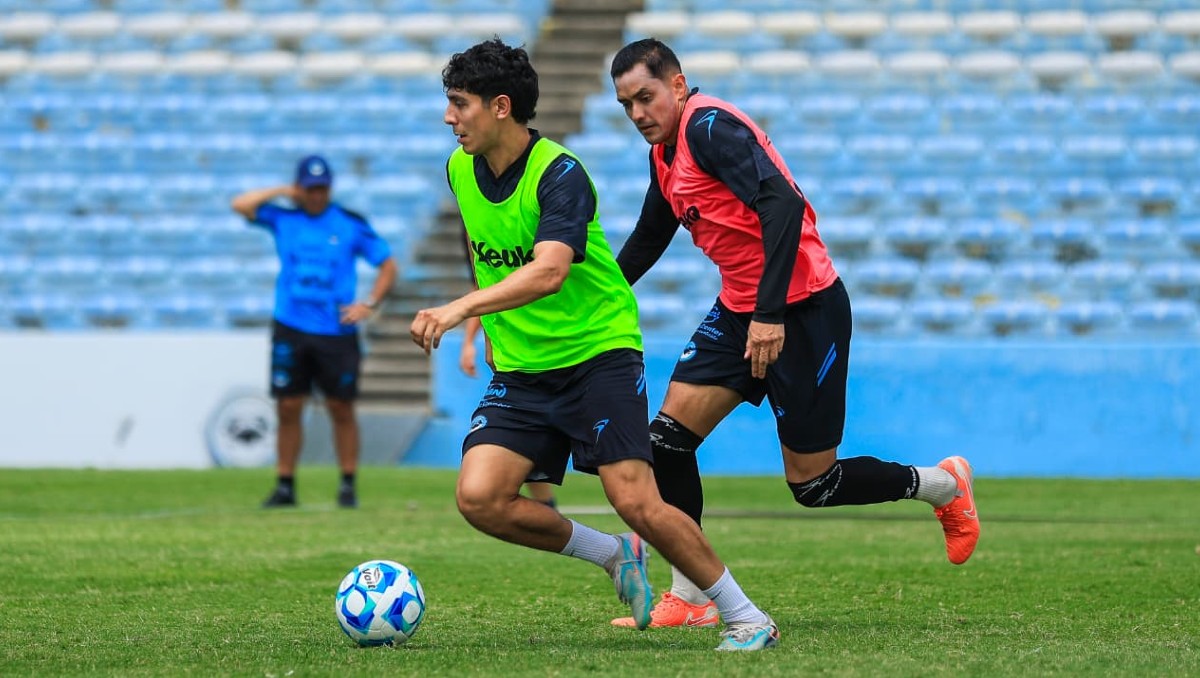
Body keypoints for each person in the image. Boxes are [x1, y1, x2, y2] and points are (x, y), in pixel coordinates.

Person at [411, 38, 777, 651]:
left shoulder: (560, 173)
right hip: (526, 368)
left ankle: (746, 615)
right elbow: (486, 254)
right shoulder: (458, 170)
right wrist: (484, 323)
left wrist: (458, 310)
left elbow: (550, 269)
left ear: (501, 106)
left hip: (596, 354)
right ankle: (614, 556)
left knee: (634, 495)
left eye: (459, 104)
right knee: (480, 498)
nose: (450, 118)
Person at [606, 38, 980, 628]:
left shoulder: (709, 129)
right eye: (626, 105)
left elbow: (781, 202)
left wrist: (770, 314)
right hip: (740, 310)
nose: (637, 114)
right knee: (667, 443)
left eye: (645, 97)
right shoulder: (665, 151)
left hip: (804, 310)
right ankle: (693, 596)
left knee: (814, 484)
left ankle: (943, 485)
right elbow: (651, 235)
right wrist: (594, 302)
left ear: (678, 85)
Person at [230, 155, 397, 509]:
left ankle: (348, 484)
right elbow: (240, 205)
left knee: (341, 407)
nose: (316, 195)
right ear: (300, 189)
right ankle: (285, 484)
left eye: (322, 189)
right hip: (291, 326)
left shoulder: (349, 224)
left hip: (336, 332)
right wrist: (281, 191)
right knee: (289, 406)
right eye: (309, 189)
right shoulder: (284, 218)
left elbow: (386, 263)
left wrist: (369, 303)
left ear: (330, 189)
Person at [459, 316, 558, 510]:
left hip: (576, 356)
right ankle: (548, 511)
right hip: (516, 366)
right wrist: (471, 341)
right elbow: (482, 291)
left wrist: (470, 341)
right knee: (521, 442)